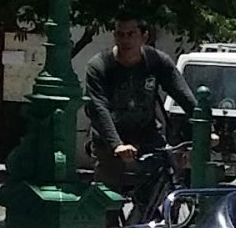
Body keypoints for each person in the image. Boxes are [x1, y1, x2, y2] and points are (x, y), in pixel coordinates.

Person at [81, 19, 196, 180]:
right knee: (109, 187)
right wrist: (117, 145)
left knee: (164, 175)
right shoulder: (100, 65)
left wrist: (207, 129)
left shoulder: (157, 61)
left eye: (131, 34)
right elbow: (98, 108)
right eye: (120, 34)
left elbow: (184, 95)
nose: (125, 40)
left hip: (147, 135)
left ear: (144, 37)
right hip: (110, 139)